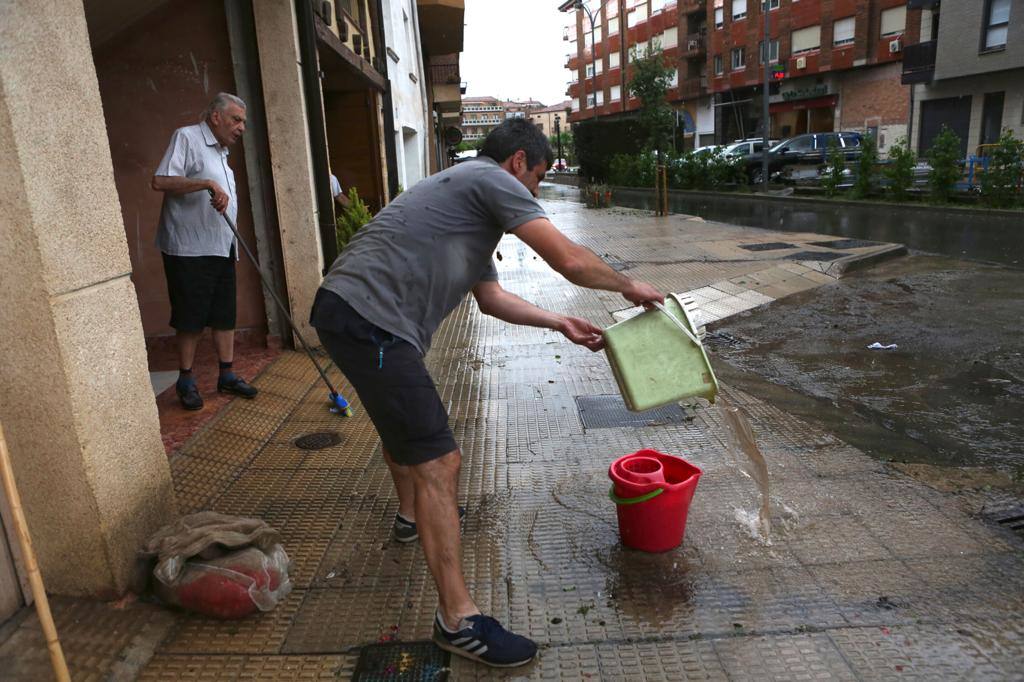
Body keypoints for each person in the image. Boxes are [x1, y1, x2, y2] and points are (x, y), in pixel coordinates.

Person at [309, 119, 662, 668]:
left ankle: (411, 515)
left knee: (403, 423)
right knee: (439, 460)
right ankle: (458, 619)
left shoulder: (464, 201)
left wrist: (559, 322)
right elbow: (568, 259)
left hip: (354, 314)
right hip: (369, 320)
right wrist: (628, 284)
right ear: (518, 161)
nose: (537, 193)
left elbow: (491, 299)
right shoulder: (489, 180)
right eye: (539, 178)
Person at [152, 92, 258, 411]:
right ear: (216, 117)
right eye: (236, 120)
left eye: (243, 122)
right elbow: (160, 181)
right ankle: (186, 379)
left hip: (221, 245)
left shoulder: (222, 154)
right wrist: (206, 184)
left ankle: (226, 374)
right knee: (191, 318)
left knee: (224, 314)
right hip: (189, 248)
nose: (241, 127)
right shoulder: (187, 137)